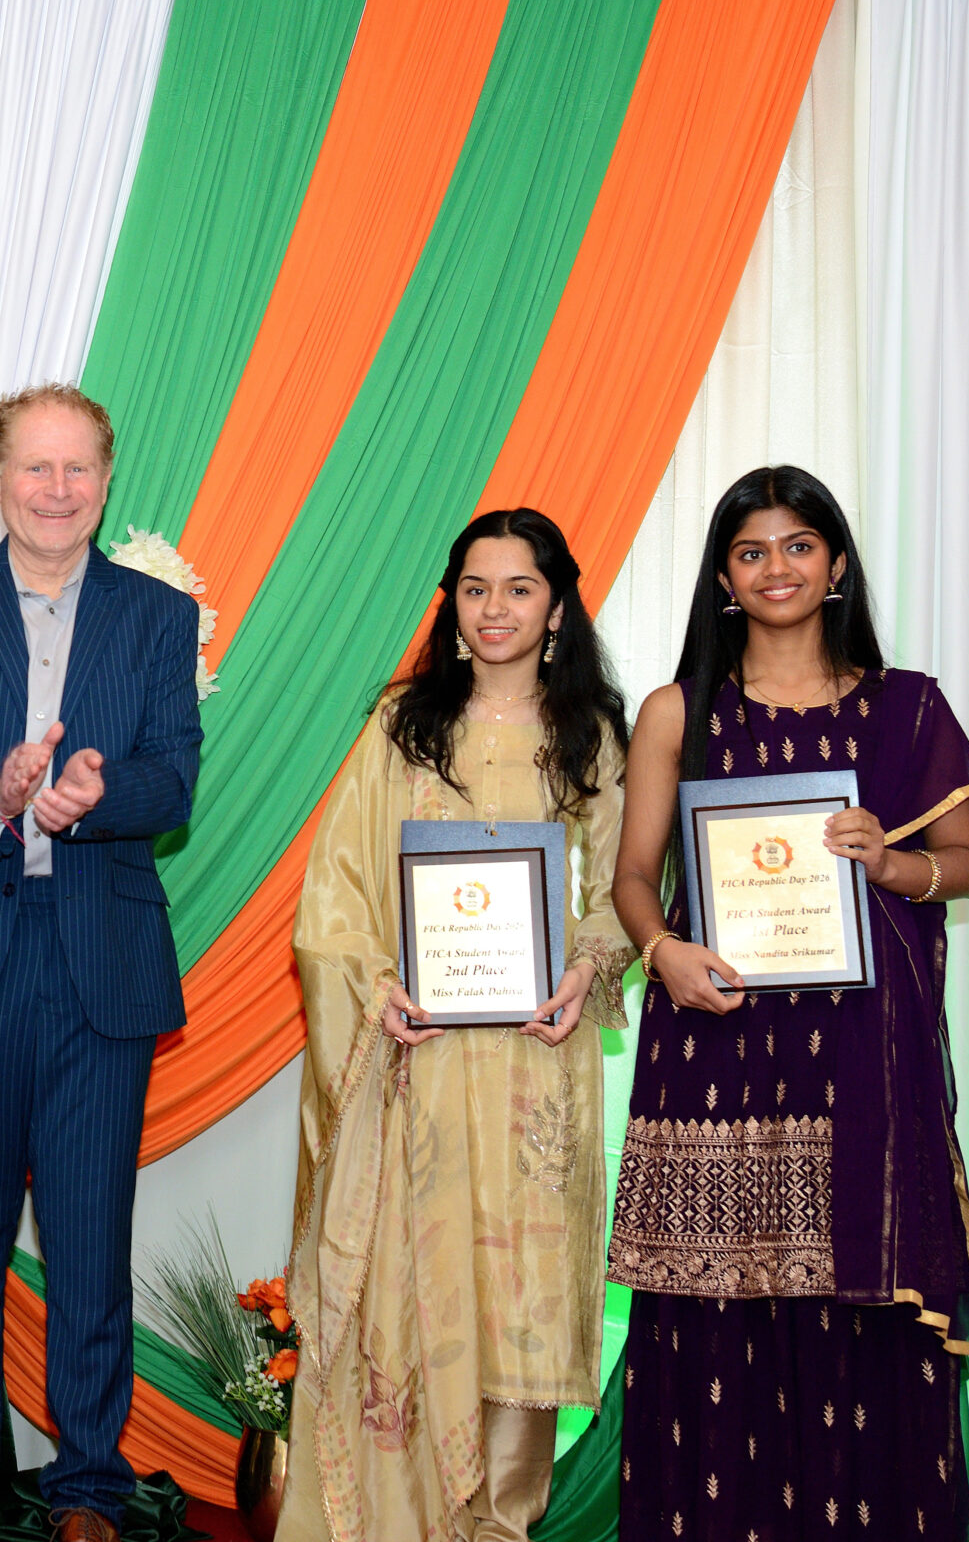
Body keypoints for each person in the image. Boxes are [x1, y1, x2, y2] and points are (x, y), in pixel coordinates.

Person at [605, 467, 969, 1542]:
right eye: (751, 552)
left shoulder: (908, 706)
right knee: (710, 1327)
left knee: (857, 1332)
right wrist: (662, 952)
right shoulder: (677, 711)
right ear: (723, 579)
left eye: (797, 545)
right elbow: (633, 875)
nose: (775, 568)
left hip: (858, 1062)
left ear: (834, 564)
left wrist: (893, 862)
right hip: (714, 1051)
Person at [0, 384, 201, 1542]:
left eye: (76, 468)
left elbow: (174, 777)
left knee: (87, 1244)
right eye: (34, 467)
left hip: (99, 966)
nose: (56, 490)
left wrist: (98, 794)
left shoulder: (156, 616)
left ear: (105, 479)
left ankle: (87, 1487)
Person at [279, 510, 634, 1542]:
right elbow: (337, 889)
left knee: (521, 1294)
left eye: (519, 588)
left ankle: (499, 1523)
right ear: (452, 604)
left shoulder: (589, 733)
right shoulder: (403, 727)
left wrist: (586, 967)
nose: (494, 609)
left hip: (536, 1059)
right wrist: (375, 986)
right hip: (419, 1057)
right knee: (416, 1279)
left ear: (556, 608)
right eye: (475, 588)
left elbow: (624, 885)